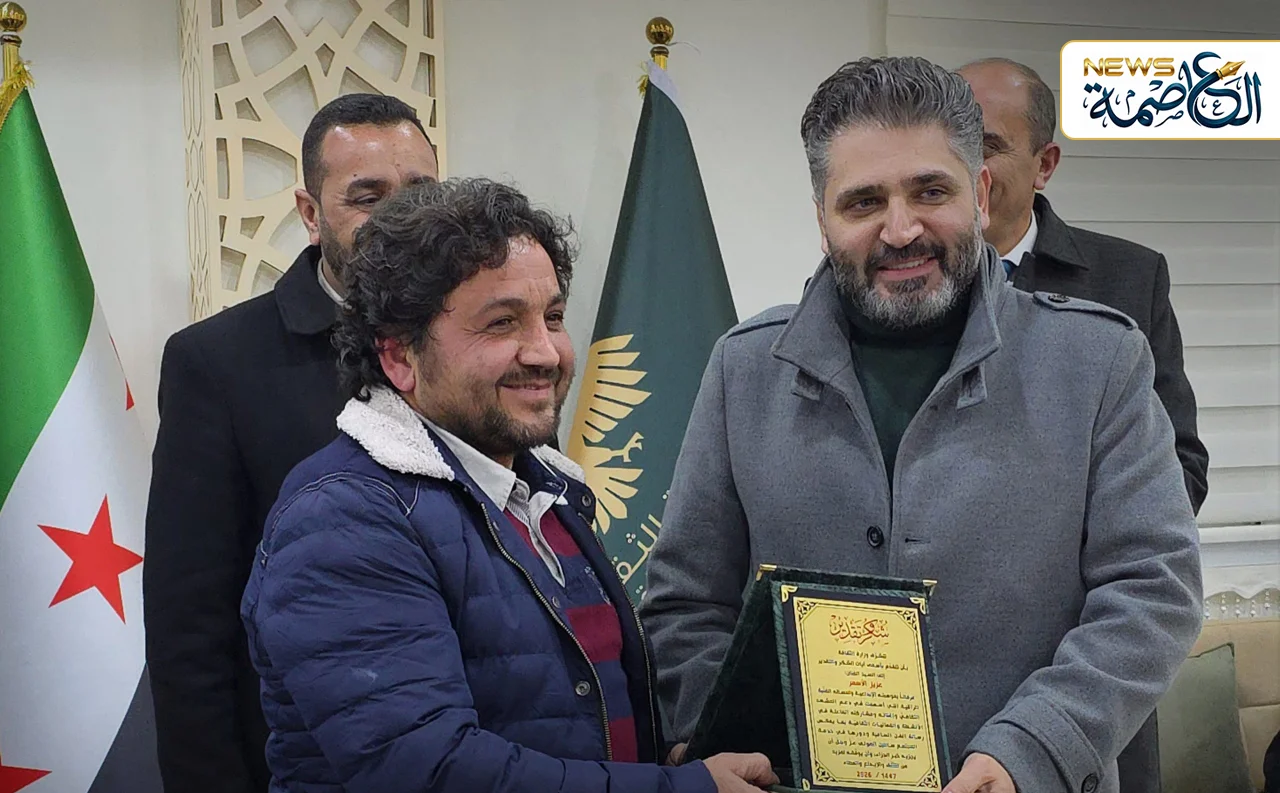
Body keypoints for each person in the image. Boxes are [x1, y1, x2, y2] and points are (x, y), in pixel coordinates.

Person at [641, 57, 1203, 793]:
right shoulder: (743, 370)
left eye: (930, 191)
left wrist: (1032, 749)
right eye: (863, 201)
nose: (901, 229)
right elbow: (685, 602)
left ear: (980, 194)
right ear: (822, 220)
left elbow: (1153, 590)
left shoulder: (1099, 361)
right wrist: (716, 735)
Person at [238, 177, 778, 793]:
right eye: (502, 324)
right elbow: (430, 771)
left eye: (553, 318)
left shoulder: (548, 494)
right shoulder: (340, 519)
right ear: (399, 357)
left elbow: (570, 723)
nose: (546, 353)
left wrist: (665, 765)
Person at [144, 93, 439, 792]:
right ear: (311, 213)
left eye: (420, 193)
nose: (402, 218)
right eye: (367, 197)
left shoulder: (486, 344)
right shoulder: (216, 363)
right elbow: (190, 630)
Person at [956, 57, 1208, 515]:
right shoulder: (898, 278)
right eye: (953, 145)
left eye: (987, 147)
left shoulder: (1128, 278)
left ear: (1044, 164)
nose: (967, 166)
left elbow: (1178, 468)